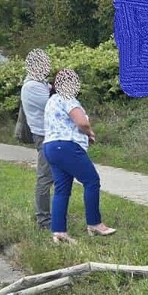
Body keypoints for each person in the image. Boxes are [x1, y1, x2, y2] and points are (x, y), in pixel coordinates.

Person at [42, 68, 117, 243]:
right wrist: (89, 132)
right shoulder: (67, 98)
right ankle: (95, 223)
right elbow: (81, 122)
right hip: (67, 146)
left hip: (51, 147)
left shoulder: (51, 101)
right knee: (92, 181)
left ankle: (59, 231)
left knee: (62, 190)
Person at [20, 49, 54, 230]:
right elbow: (55, 104)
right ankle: (44, 221)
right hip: (44, 136)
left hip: (51, 136)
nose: (47, 66)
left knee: (56, 177)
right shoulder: (32, 86)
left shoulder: (41, 84)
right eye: (44, 63)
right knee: (45, 178)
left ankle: (53, 216)